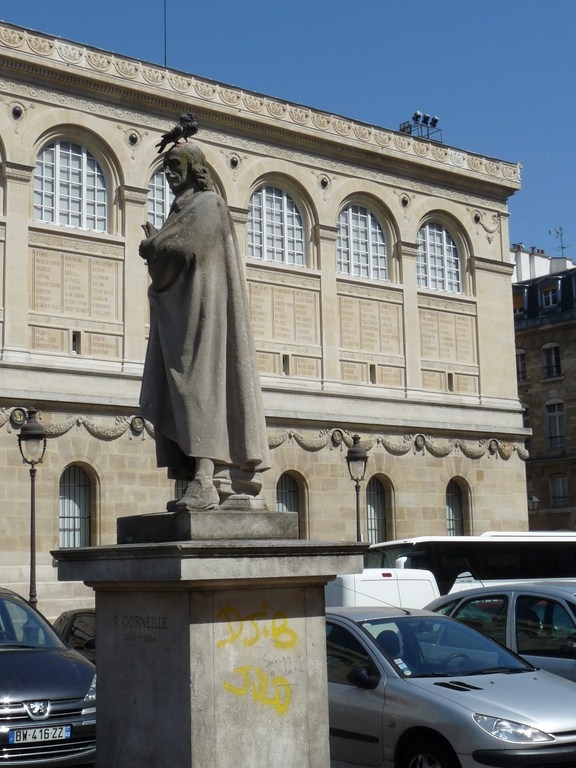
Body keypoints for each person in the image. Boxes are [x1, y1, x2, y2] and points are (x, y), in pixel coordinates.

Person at [139, 143, 270, 510]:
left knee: (201, 386)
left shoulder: (208, 204)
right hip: (183, 310)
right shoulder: (181, 209)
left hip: (204, 310)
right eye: (165, 167)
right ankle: (213, 479)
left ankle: (207, 479)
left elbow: (185, 249)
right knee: (186, 386)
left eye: (175, 165)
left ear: (194, 167)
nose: (168, 172)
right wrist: (159, 245)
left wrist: (154, 244)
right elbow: (173, 257)